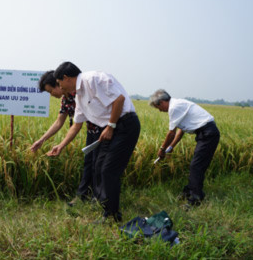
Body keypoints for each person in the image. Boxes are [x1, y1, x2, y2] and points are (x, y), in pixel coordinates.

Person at [47, 62, 140, 223]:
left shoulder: (93, 79)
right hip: (110, 130)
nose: (60, 88)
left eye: (59, 83)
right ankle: (106, 206)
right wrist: (60, 146)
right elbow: (76, 125)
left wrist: (110, 126)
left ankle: (112, 215)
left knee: (108, 169)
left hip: (124, 125)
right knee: (98, 167)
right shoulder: (79, 96)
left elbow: (119, 99)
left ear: (66, 78)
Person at [31, 70, 101, 204]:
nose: (52, 95)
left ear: (59, 84)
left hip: (102, 130)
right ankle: (83, 196)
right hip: (92, 131)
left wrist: (61, 145)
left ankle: (97, 198)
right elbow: (59, 122)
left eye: (51, 91)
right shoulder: (66, 99)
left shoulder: (78, 94)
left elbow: (76, 125)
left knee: (98, 164)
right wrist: (41, 140)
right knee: (89, 162)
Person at [149, 89, 220, 206]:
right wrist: (171, 147)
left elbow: (171, 133)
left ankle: (196, 198)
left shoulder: (174, 107)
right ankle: (189, 191)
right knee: (196, 165)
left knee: (196, 166)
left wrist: (162, 150)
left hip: (208, 134)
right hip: (206, 133)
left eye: (158, 108)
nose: (160, 111)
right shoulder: (177, 104)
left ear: (161, 102)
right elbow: (180, 130)